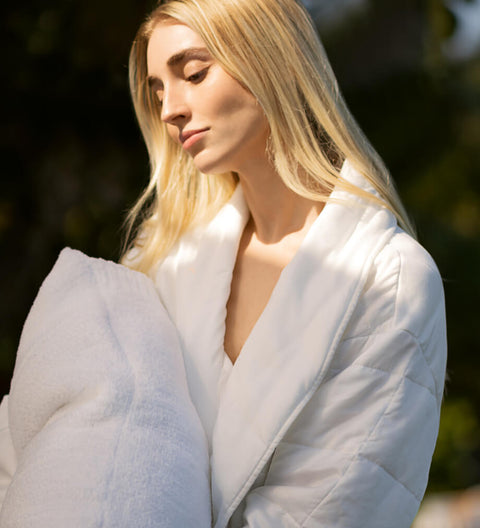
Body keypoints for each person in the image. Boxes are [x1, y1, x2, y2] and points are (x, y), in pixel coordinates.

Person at [0, 0, 447, 527]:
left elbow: (334, 506)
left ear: (271, 57)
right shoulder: (160, 256)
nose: (170, 110)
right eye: (158, 92)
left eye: (193, 73)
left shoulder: (389, 280)